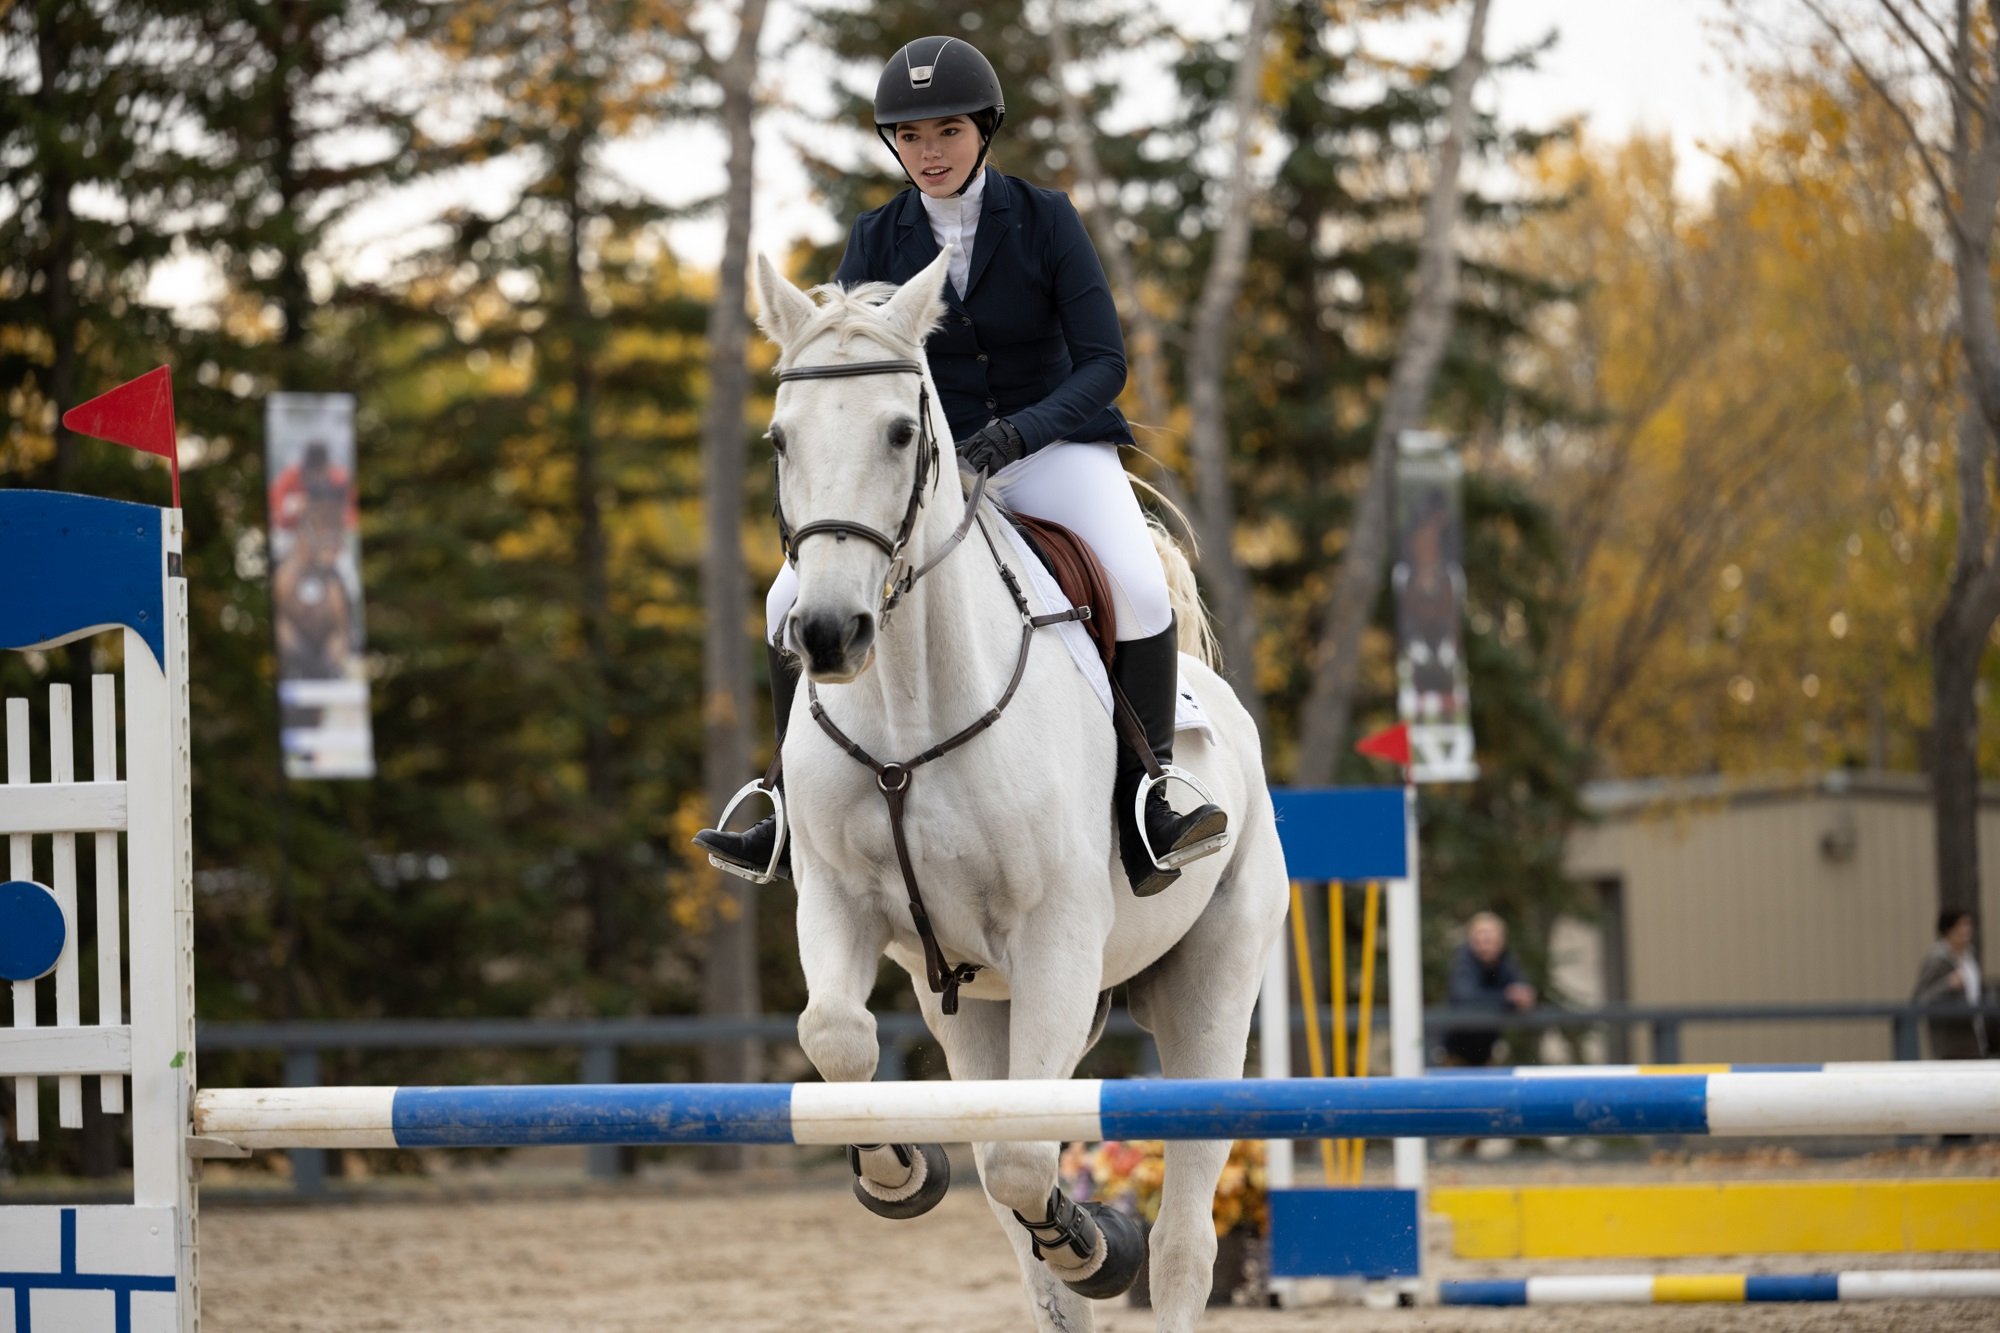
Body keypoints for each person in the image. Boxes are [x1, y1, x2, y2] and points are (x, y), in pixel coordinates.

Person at [696, 34, 1226, 896]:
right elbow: (847, 371)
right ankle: (785, 803)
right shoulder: (878, 236)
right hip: (927, 467)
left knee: (1136, 581)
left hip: (1050, 447)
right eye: (910, 137)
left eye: (946, 131)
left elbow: (1104, 362)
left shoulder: (1046, 218)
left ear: (984, 130)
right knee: (786, 598)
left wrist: (1019, 434)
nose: (929, 152)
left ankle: (1151, 796)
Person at [1439, 912, 1536, 1068]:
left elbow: (1522, 989)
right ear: (1471, 939)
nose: (1485, 940)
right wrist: (1507, 998)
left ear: (1501, 939)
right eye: (1480, 934)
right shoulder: (1463, 961)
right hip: (1454, 1055)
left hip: (1486, 1055)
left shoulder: (1506, 961)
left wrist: (1522, 996)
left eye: (1490, 935)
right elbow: (1465, 998)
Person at [1913, 909, 1987, 1061]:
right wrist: (1948, 984)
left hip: (1975, 1038)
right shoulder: (1936, 960)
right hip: (1949, 1043)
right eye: (1961, 925)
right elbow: (1920, 999)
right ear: (1948, 929)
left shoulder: (1970, 957)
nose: (1966, 930)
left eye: (1968, 925)